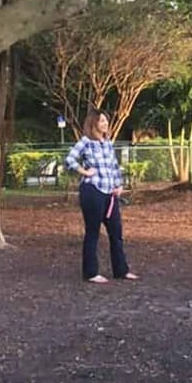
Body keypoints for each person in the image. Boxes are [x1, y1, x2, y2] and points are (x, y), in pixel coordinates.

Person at [64, 109, 139, 284]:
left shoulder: (107, 143)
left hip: (110, 194)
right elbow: (69, 159)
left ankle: (121, 270)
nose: (105, 124)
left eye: (106, 121)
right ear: (93, 124)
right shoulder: (86, 142)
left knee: (116, 232)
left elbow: (114, 166)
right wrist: (84, 171)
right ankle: (91, 272)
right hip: (92, 192)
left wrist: (119, 184)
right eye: (102, 121)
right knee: (93, 232)